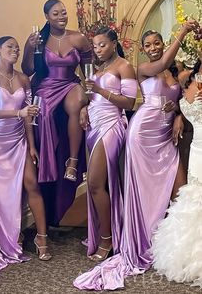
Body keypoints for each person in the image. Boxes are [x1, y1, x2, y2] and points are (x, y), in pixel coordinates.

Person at [74, 20, 199, 291]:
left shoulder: (176, 71)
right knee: (143, 194)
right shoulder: (143, 69)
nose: (153, 49)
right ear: (142, 50)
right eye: (148, 45)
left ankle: (173, 247)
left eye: (157, 44)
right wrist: (184, 31)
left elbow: (188, 95)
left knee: (179, 191)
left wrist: (177, 113)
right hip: (141, 134)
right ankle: (143, 240)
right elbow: (136, 96)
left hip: (165, 136)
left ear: (162, 44)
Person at [0, 36, 51, 292]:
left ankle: (42, 238)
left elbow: (29, 116)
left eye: (16, 47)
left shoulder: (24, 79)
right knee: (0, 193)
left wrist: (33, 144)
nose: (14, 51)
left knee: (31, 183)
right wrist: (19, 113)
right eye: (9, 47)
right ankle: (5, 237)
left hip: (18, 138)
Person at [22, 0, 92, 226]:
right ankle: (47, 169)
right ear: (46, 17)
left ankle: (71, 161)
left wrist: (89, 100)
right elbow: (28, 69)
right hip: (46, 87)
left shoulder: (78, 38)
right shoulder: (40, 40)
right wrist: (29, 47)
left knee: (75, 102)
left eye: (64, 12)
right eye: (56, 13)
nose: (62, 16)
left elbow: (89, 72)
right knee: (41, 116)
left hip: (70, 84)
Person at [79, 27, 137, 261]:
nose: (98, 50)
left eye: (102, 45)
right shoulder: (98, 67)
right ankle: (106, 231)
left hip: (112, 126)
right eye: (95, 46)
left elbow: (130, 103)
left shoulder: (125, 66)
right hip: (93, 126)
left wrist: (100, 89)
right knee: (99, 183)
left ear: (114, 43)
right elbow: (91, 97)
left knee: (94, 183)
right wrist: (84, 107)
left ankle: (107, 238)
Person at [151, 53, 202, 288]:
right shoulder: (186, 77)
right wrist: (178, 114)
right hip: (196, 150)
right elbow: (180, 101)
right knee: (193, 199)